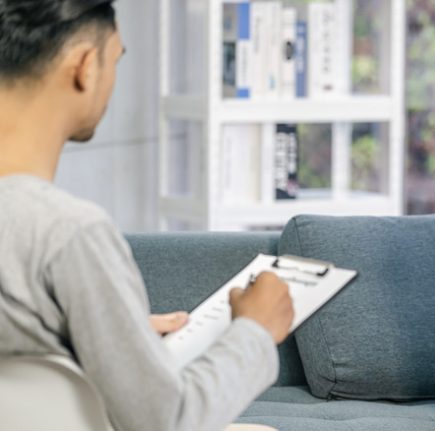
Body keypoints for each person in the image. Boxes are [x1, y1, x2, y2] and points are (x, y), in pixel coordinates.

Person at [0, 1, 294, 430]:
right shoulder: (68, 234)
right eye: (114, 59)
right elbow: (166, 421)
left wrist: (115, 334)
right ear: (84, 65)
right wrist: (256, 330)